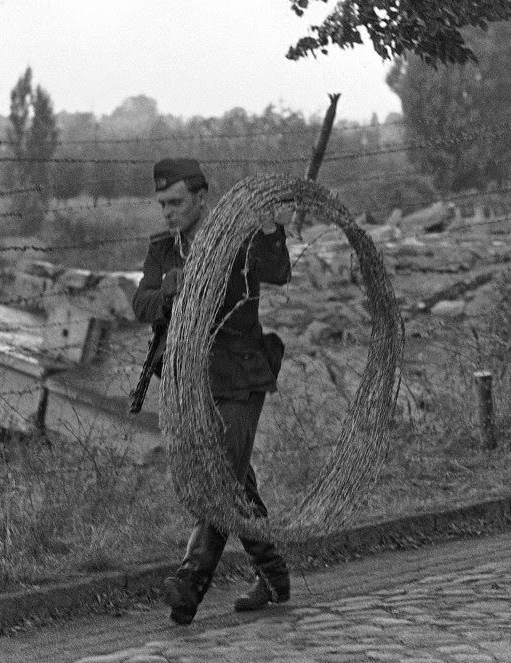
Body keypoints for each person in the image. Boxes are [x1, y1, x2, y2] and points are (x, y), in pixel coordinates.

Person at [131, 157, 292, 625]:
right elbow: (141, 304)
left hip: (239, 377)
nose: (168, 211)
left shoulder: (237, 240)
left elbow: (278, 272)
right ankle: (274, 574)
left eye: (176, 201)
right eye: (162, 203)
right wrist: (167, 291)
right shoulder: (164, 250)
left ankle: (190, 583)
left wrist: (271, 229)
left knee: (221, 476)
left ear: (202, 198)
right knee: (236, 478)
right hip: (188, 383)